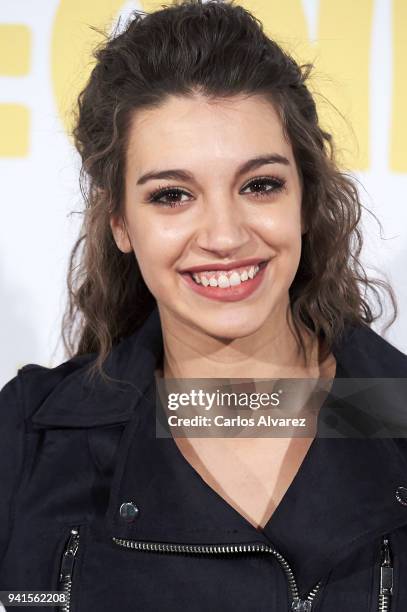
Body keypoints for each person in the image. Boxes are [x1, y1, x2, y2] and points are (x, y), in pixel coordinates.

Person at [1, 1, 407, 611]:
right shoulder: (29, 437)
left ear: (304, 196)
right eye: (172, 195)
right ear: (120, 221)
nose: (223, 235)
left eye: (259, 185)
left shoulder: (397, 413)